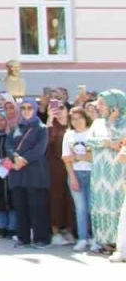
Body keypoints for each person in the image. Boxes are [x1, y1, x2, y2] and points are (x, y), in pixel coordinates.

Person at [7, 99, 50, 248]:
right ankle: (23, 238)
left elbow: (39, 149)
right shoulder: (16, 128)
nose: (26, 111)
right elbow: (8, 145)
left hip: (35, 173)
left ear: (35, 109)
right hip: (18, 174)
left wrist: (23, 159)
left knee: (37, 208)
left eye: (30, 108)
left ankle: (41, 239)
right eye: (23, 108)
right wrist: (15, 157)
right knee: (21, 207)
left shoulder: (41, 128)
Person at [88, 90, 126, 254]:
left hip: (119, 173)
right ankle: (105, 241)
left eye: (102, 103)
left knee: (118, 205)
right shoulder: (97, 123)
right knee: (101, 205)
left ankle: (120, 242)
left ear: (114, 105)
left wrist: (112, 121)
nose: (99, 106)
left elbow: (120, 138)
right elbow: (89, 140)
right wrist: (107, 143)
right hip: (100, 174)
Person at [63, 107, 96, 251]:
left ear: (85, 118)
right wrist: (72, 177)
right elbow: (66, 158)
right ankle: (83, 238)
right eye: (73, 119)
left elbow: (94, 156)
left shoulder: (92, 133)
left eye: (79, 118)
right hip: (75, 173)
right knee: (80, 208)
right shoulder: (69, 135)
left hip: (92, 173)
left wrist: (77, 157)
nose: (77, 122)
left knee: (92, 208)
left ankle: (95, 238)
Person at [45, 99, 74, 245]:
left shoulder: (73, 125)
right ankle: (55, 232)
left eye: (62, 107)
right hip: (55, 168)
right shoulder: (52, 126)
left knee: (71, 200)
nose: (59, 110)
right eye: (57, 108)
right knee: (55, 199)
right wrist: (50, 119)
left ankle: (69, 231)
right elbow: (46, 142)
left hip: (73, 168)